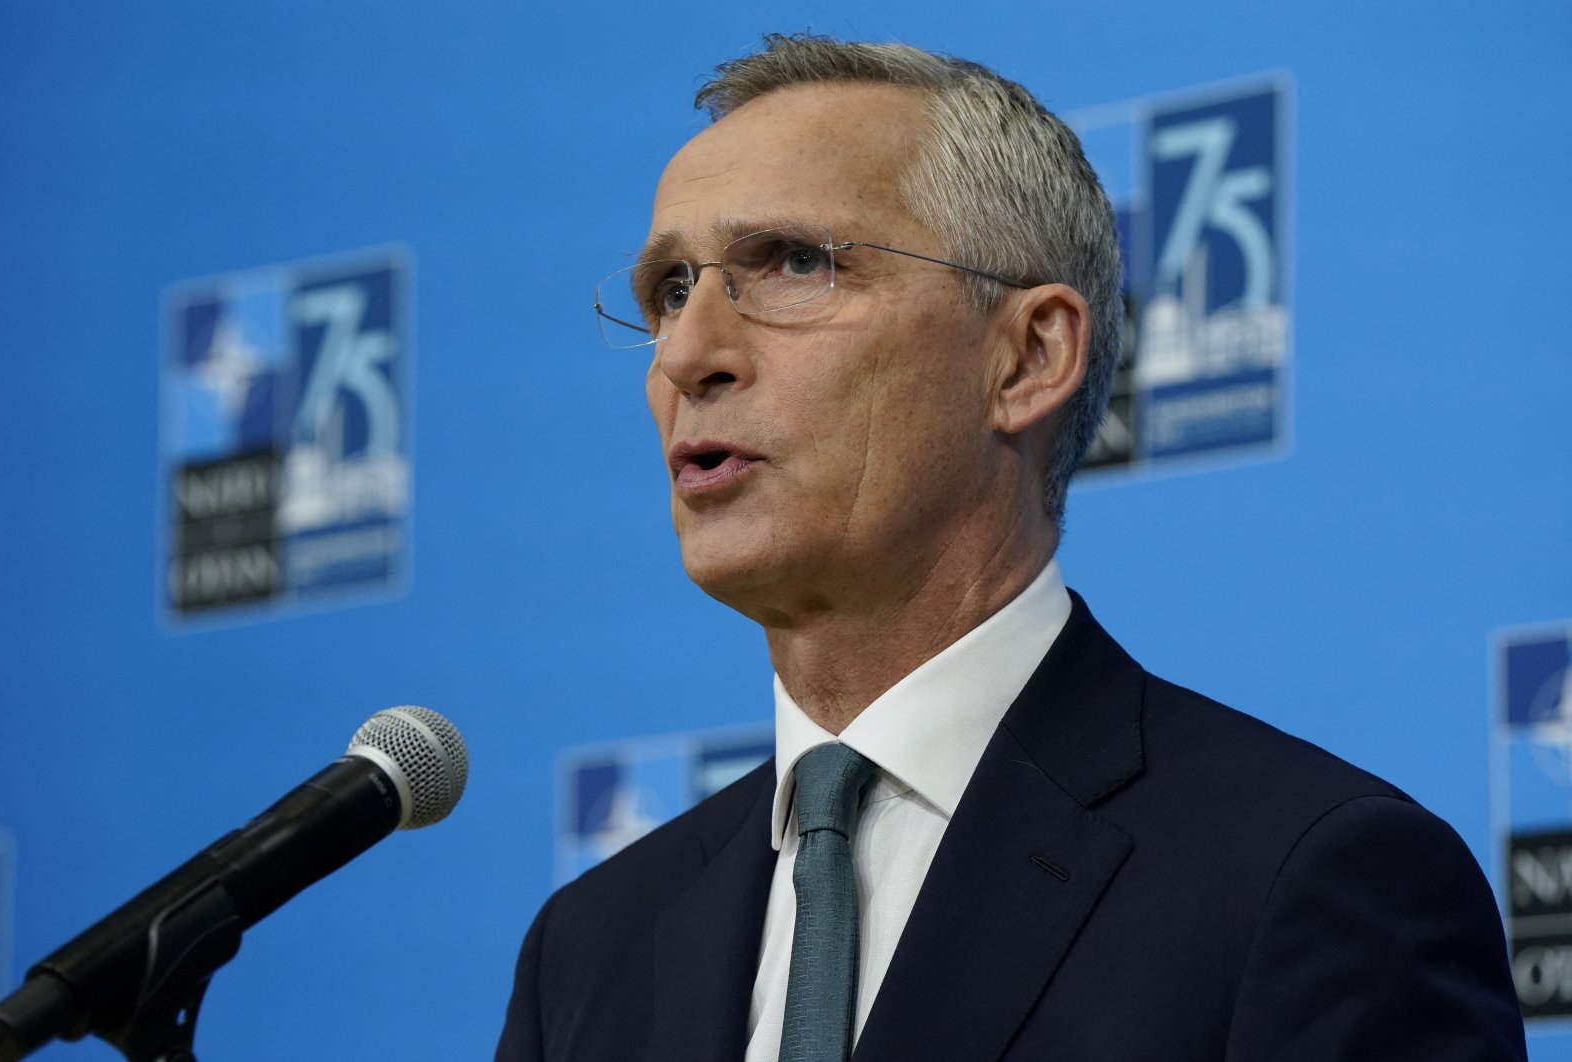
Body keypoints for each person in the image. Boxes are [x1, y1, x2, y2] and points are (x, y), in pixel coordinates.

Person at [497, 34, 1525, 1061]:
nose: (686, 354)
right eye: (671, 289)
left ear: (1028, 357)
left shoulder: (1305, 880)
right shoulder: (588, 951)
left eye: (795, 263)